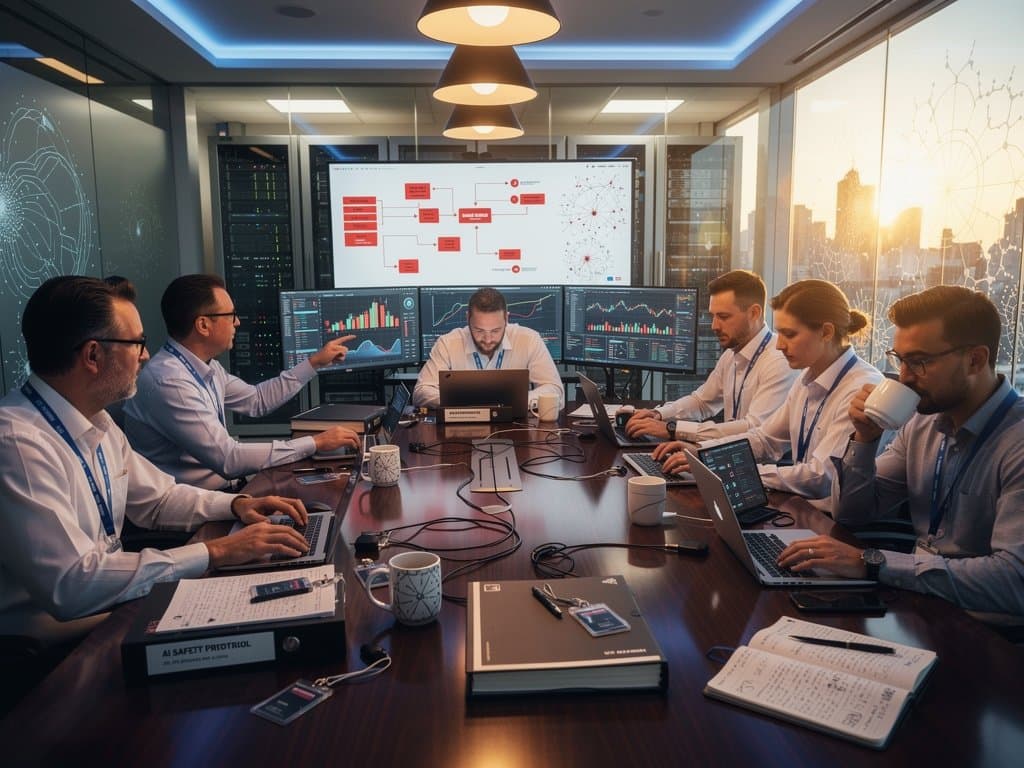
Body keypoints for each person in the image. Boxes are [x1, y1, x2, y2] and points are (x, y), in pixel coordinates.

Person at [0, 276, 313, 642]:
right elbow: (72, 585)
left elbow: (160, 498)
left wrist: (238, 505)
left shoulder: (97, 422)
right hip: (54, 644)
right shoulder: (17, 444)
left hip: (110, 605)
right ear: (93, 355)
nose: (146, 355)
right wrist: (214, 552)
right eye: (137, 343)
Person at [777, 286, 1024, 623]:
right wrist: (864, 440)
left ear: (975, 360)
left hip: (986, 628)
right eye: (900, 359)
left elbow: (1014, 581)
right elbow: (853, 514)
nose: (904, 377)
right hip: (920, 605)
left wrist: (873, 562)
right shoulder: (921, 422)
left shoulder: (1015, 442)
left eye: (919, 362)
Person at [654, 279, 882, 504]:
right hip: (798, 504)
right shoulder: (807, 377)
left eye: (789, 334)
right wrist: (704, 454)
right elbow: (765, 439)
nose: (780, 345)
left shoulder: (860, 389)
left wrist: (726, 469)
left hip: (827, 519)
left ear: (826, 332)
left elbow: (821, 477)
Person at [124, 274, 361, 490]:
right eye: (230, 315)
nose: (237, 322)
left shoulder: (205, 366)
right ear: (203, 325)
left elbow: (257, 400)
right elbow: (228, 459)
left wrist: (314, 362)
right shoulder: (169, 381)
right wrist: (315, 443)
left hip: (226, 491)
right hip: (199, 506)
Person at [623, 270, 796, 441]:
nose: (714, 326)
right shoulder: (731, 354)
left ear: (754, 313)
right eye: (713, 316)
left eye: (723, 316)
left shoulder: (779, 361)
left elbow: (754, 428)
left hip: (757, 458)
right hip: (730, 452)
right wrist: (658, 414)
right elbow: (702, 402)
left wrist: (674, 429)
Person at [412, 286, 564, 409]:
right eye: (479, 330)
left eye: (496, 330)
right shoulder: (448, 343)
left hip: (515, 426)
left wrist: (517, 401)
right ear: (467, 318)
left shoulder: (529, 340)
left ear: (506, 319)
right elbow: (421, 392)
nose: (488, 339)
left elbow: (555, 390)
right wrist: (461, 402)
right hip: (463, 427)